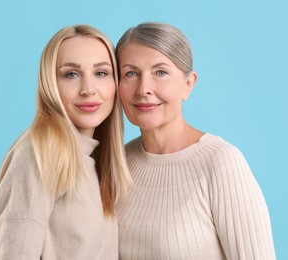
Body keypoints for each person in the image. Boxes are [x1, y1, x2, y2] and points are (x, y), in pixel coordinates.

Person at [115, 22, 275, 260]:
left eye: (160, 72)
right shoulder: (117, 162)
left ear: (188, 84)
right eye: (131, 73)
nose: (144, 88)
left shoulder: (221, 162)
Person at [0, 24, 132, 260]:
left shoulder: (93, 160)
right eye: (71, 74)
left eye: (101, 73)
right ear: (50, 84)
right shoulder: (39, 154)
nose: (88, 89)